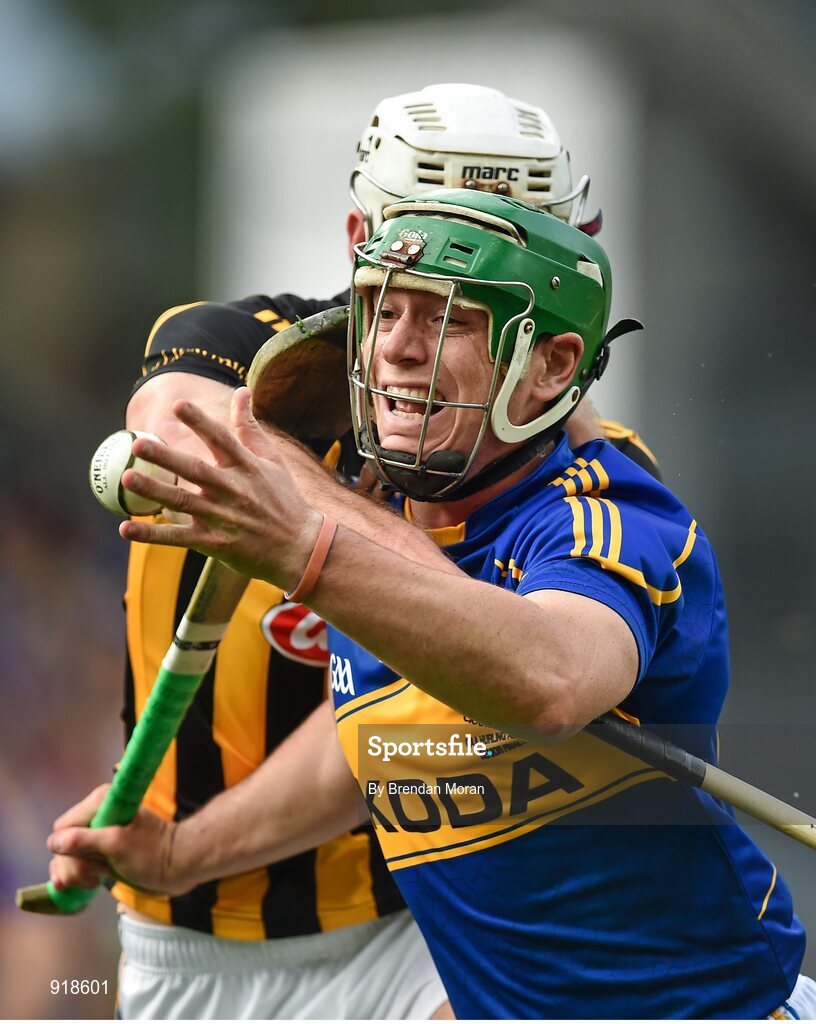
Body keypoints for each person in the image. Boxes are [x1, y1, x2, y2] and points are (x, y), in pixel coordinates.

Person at [50, 187, 812, 1018]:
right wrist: (183, 850)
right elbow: (386, 736)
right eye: (384, 312)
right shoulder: (396, 526)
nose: (398, 351)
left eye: (449, 320)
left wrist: (307, 544)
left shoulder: (605, 517)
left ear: (553, 365)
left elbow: (551, 679)